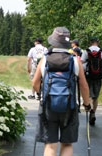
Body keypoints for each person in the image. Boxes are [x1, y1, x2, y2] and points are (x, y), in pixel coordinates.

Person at [32, 27, 90, 156]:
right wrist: (87, 104)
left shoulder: (45, 59)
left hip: (48, 105)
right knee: (67, 144)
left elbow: (35, 83)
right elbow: (84, 86)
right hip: (70, 106)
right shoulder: (75, 60)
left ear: (53, 41)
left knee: (50, 144)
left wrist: (40, 95)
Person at [81, 37, 102, 126]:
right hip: (98, 77)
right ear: (98, 42)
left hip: (88, 76)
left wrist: (80, 78)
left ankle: (90, 112)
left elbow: (81, 63)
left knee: (89, 95)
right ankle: (93, 112)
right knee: (96, 97)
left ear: (90, 42)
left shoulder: (86, 51)